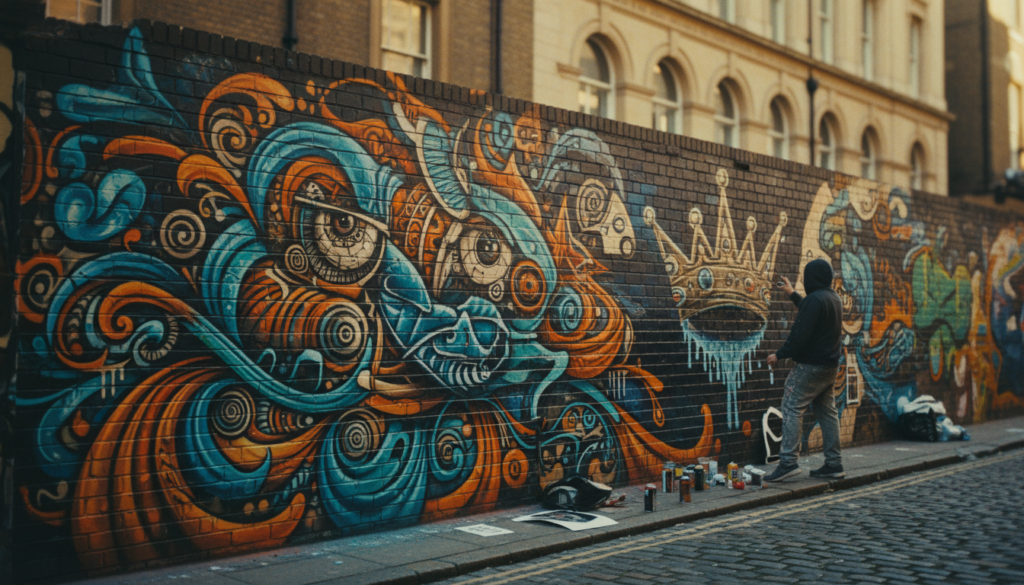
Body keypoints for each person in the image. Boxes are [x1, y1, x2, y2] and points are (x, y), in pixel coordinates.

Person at [763, 258, 845, 482]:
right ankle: (834, 464)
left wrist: (778, 355)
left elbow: (799, 335)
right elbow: (812, 313)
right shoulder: (833, 298)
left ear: (812, 278)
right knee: (828, 412)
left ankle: (788, 462)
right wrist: (792, 293)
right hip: (829, 367)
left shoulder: (815, 300)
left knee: (791, 406)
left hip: (810, 366)